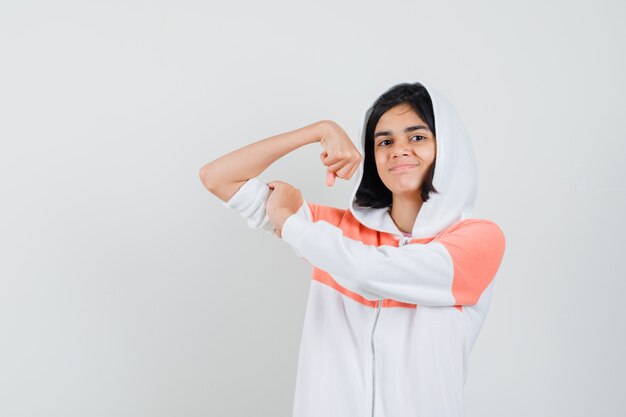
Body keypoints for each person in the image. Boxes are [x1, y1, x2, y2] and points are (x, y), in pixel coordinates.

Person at [199, 81, 506, 417]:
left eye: (417, 137)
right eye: (384, 141)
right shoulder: (332, 233)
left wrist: (290, 224)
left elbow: (370, 272)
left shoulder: (478, 240)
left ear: (447, 147)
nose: (399, 149)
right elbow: (217, 177)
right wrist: (318, 130)